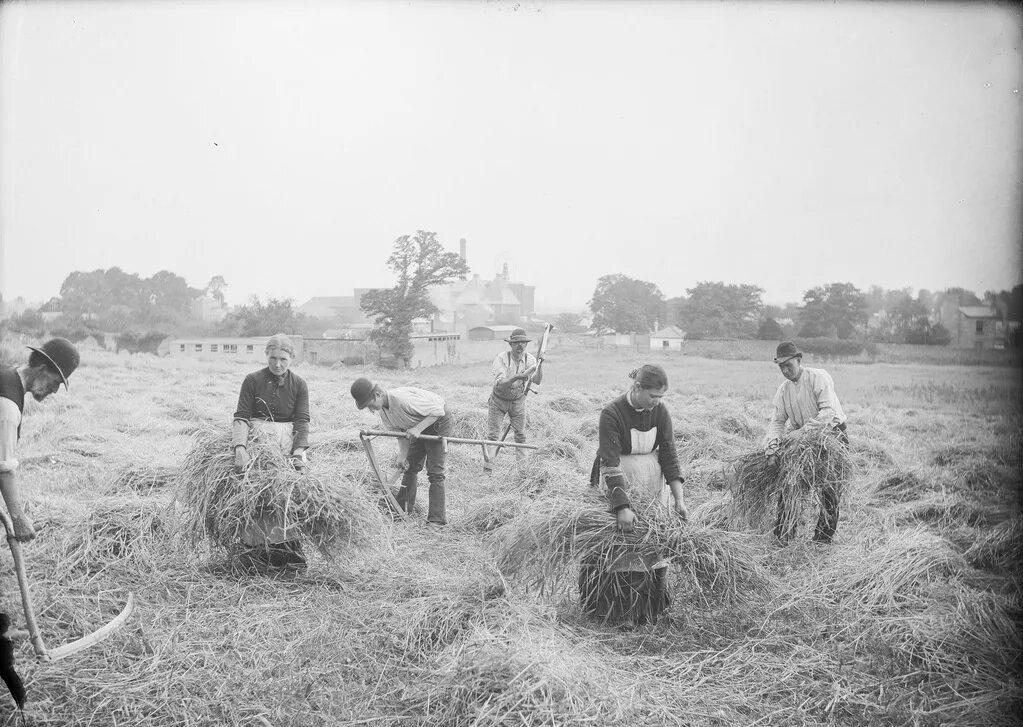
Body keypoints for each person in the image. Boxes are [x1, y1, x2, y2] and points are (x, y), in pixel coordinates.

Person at [0, 337, 80, 710]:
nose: (52, 392)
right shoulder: (7, 404)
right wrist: (17, 515)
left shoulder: (5, 379)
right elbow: (4, 468)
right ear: (43, 370)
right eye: (55, 383)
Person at [581, 364, 688, 628]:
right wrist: (622, 506)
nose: (657, 402)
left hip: (652, 485)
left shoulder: (660, 412)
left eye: (661, 397)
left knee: (652, 545)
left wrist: (679, 500)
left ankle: (649, 612)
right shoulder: (612, 413)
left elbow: (669, 456)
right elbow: (609, 463)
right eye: (653, 396)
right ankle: (617, 613)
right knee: (621, 544)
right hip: (620, 483)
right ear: (637, 388)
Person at [232, 333, 310, 570]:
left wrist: (298, 452)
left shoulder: (299, 385)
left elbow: (302, 420)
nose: (277, 364)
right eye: (273, 358)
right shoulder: (252, 380)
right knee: (256, 497)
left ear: (292, 358)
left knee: (287, 497)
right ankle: (255, 554)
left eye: (283, 359)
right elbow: (241, 417)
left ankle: (287, 554)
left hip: (286, 447)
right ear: (267, 355)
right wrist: (240, 448)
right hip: (256, 445)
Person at [763, 341, 849, 544]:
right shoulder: (784, 390)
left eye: (788, 365)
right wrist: (772, 449)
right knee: (789, 482)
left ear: (799, 360)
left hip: (832, 435)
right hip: (804, 439)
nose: (785, 370)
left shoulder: (817, 378)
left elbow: (828, 412)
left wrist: (800, 433)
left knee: (829, 489)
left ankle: (822, 540)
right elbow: (777, 421)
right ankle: (783, 533)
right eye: (781, 367)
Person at [350, 377, 452, 527]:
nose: (370, 409)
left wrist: (418, 429)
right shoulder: (384, 412)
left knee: (435, 472)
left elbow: (438, 411)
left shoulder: (403, 400)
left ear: (377, 394)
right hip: (417, 425)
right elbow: (401, 433)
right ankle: (401, 511)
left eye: (370, 404)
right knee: (409, 467)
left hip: (438, 422)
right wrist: (403, 456)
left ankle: (437, 520)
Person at [484, 328, 543, 472]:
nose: (520, 346)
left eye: (523, 342)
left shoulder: (530, 360)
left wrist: (540, 366)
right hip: (498, 401)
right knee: (493, 435)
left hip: (518, 401)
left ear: (526, 344)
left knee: (521, 435)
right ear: (511, 344)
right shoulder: (502, 358)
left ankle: (523, 471)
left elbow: (537, 380)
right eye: (516, 343)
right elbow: (501, 383)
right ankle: (488, 468)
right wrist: (517, 376)